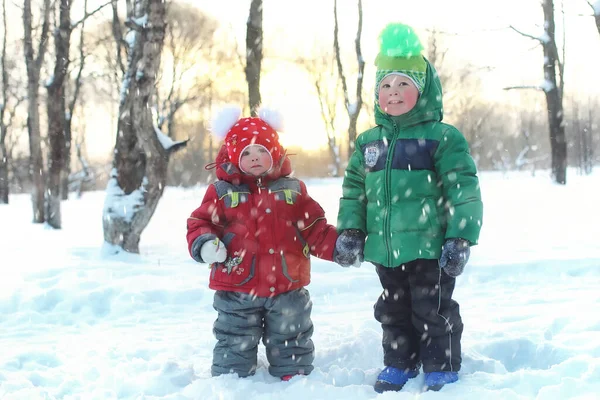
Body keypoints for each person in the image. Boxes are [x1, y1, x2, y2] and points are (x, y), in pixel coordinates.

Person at [334, 23, 483, 392]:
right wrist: (351, 229)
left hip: (430, 248)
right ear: (376, 94)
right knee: (393, 311)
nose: (393, 93)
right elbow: (354, 190)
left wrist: (460, 237)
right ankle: (400, 361)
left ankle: (440, 364)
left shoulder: (442, 138)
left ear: (423, 90)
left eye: (403, 85)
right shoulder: (368, 141)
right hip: (386, 249)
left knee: (431, 309)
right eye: (385, 86)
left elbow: (463, 189)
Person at [186, 106, 338, 381]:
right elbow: (200, 223)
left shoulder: (292, 190)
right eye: (246, 152)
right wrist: (205, 243)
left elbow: (315, 227)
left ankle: (293, 372)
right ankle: (233, 375)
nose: (255, 157)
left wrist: (338, 246)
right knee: (234, 333)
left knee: (291, 330)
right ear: (233, 155)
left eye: (262, 151)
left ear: (275, 154)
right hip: (236, 284)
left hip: (287, 283)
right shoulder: (221, 192)